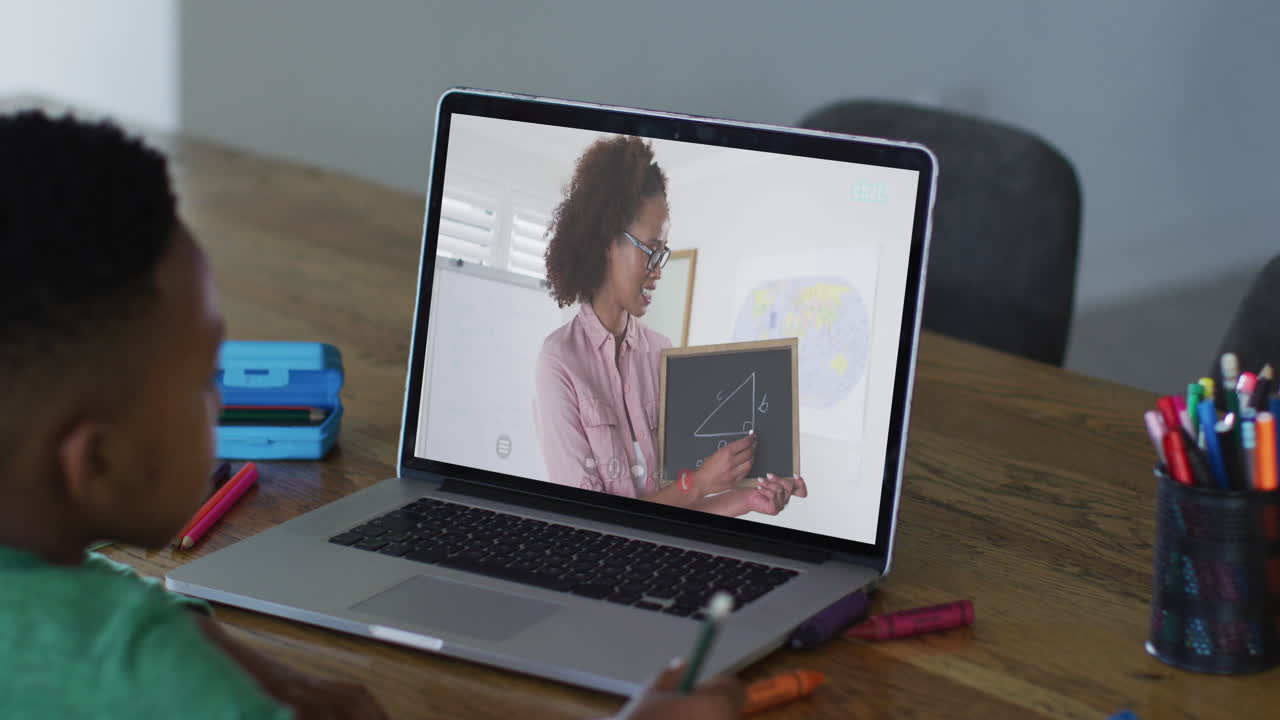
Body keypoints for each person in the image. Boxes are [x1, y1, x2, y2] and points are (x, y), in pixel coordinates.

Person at [0, 111, 742, 720]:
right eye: (203, 379)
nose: (222, 401)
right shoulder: (149, 676)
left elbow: (82, 592)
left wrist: (208, 642)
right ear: (95, 461)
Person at [535, 136, 807, 517]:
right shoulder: (559, 361)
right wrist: (697, 483)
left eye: (662, 252)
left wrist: (749, 498)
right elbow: (590, 518)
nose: (658, 269)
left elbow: (678, 507)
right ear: (605, 243)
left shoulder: (661, 351)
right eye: (650, 249)